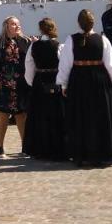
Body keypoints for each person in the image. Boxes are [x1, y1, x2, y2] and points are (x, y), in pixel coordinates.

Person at [57, 9, 112, 167]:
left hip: (79, 81)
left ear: (78, 23)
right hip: (99, 80)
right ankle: (104, 153)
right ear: (93, 22)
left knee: (81, 117)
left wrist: (64, 83)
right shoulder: (102, 40)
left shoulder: (71, 40)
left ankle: (84, 154)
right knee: (101, 117)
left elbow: (65, 64)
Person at [0, 16, 31, 157]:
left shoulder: (26, 42)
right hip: (2, 84)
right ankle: (0, 146)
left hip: (21, 84)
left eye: (18, 24)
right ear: (6, 26)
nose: (17, 26)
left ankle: (25, 146)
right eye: (13, 24)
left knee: (22, 114)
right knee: (3, 114)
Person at [22, 17, 65, 161]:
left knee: (39, 116)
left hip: (39, 82)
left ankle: (39, 149)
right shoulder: (59, 46)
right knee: (57, 116)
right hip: (55, 80)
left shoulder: (34, 46)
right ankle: (58, 149)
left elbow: (29, 67)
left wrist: (31, 83)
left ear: (41, 29)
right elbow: (64, 67)